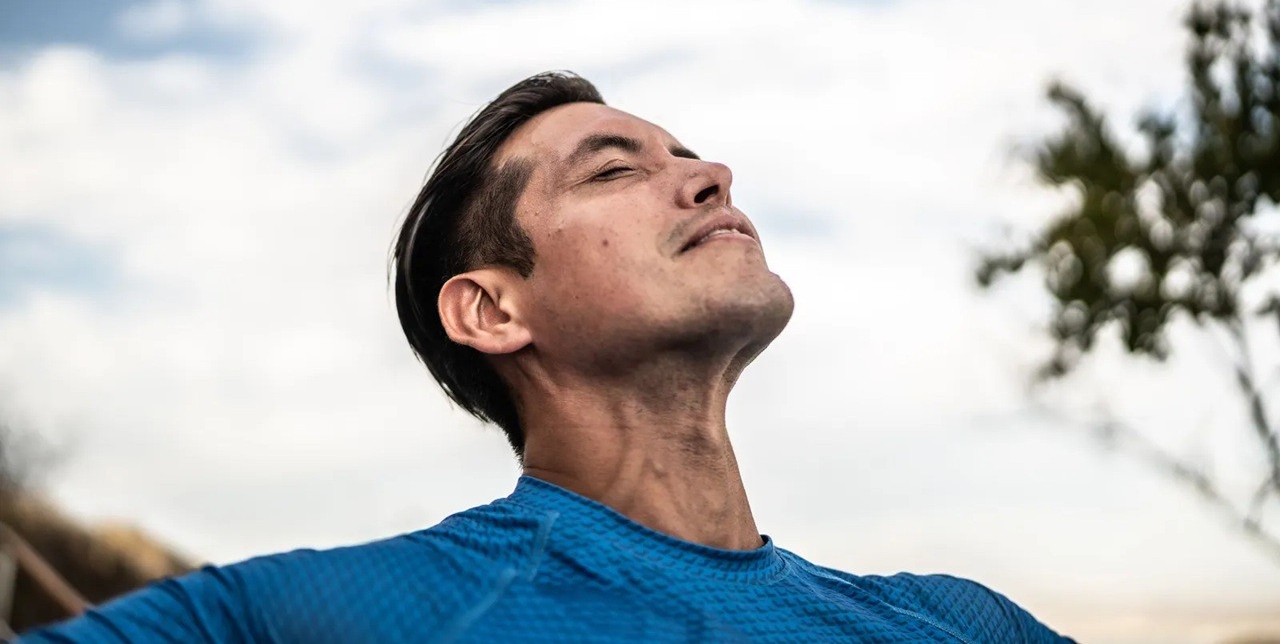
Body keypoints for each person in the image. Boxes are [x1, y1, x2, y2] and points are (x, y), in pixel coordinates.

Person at [24, 71, 1076, 642]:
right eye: (613, 169)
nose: (711, 173)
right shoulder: (348, 615)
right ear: (491, 309)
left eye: (689, 155)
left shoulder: (961, 622)